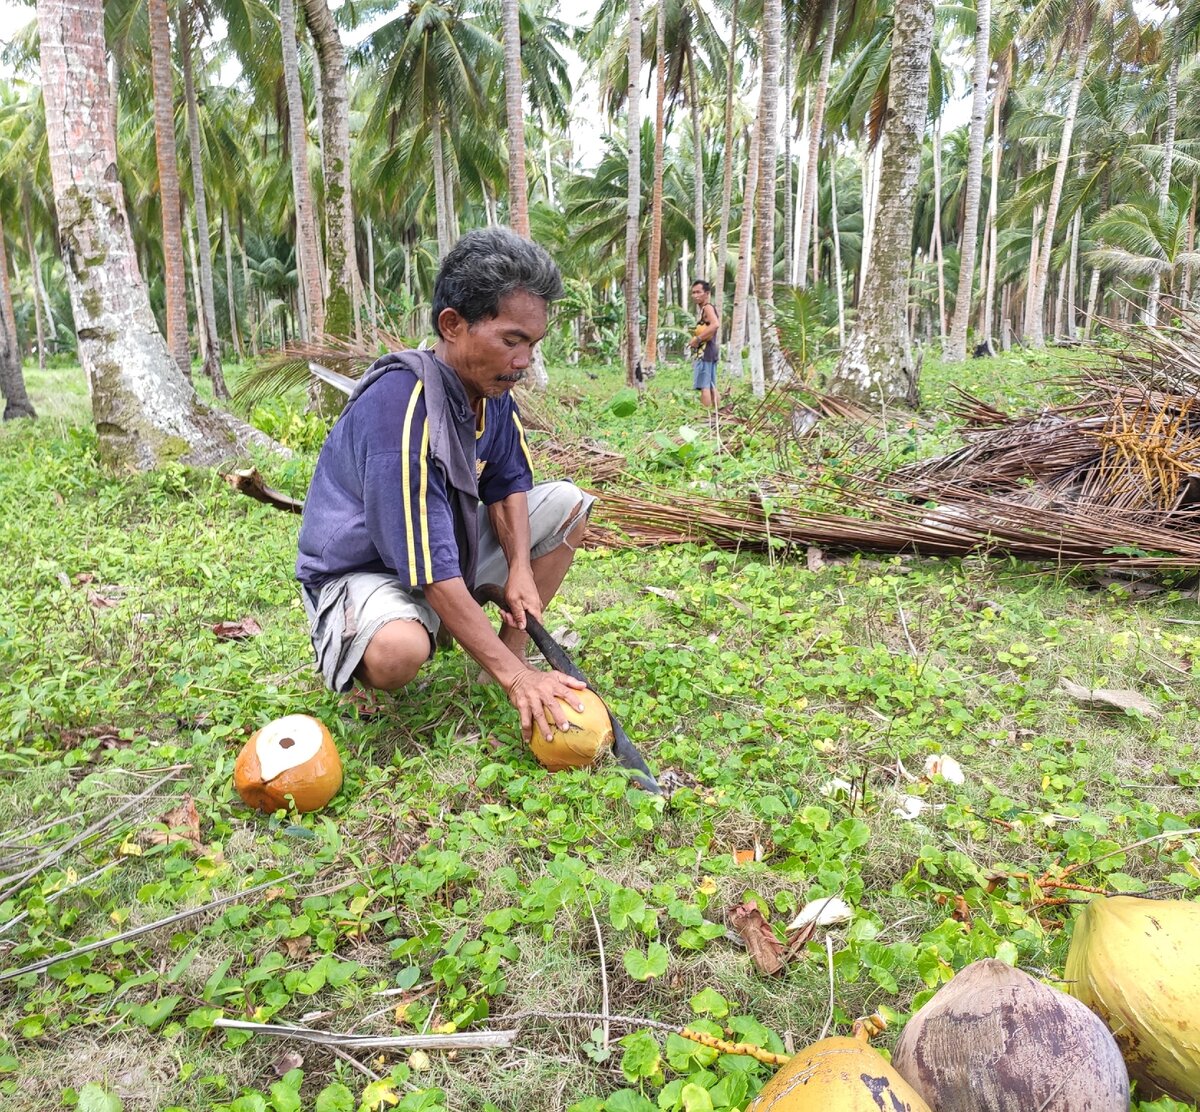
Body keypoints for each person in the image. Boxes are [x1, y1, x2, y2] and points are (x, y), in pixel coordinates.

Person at [296, 227, 592, 744]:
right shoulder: (403, 412)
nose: (523, 363)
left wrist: (521, 568)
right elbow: (431, 571)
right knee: (398, 652)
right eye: (511, 341)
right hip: (365, 573)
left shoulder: (491, 389)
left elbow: (508, 481)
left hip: (440, 548)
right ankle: (359, 654)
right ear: (452, 325)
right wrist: (519, 681)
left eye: (532, 345)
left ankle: (501, 656)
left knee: (568, 505)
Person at [688, 279, 720, 410]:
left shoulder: (707, 308)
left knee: (704, 386)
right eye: (693, 292)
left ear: (706, 293)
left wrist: (698, 339)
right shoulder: (704, 310)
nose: (695, 295)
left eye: (698, 292)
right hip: (710, 351)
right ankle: (717, 413)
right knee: (711, 386)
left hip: (705, 352)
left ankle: (705, 415)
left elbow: (715, 324)